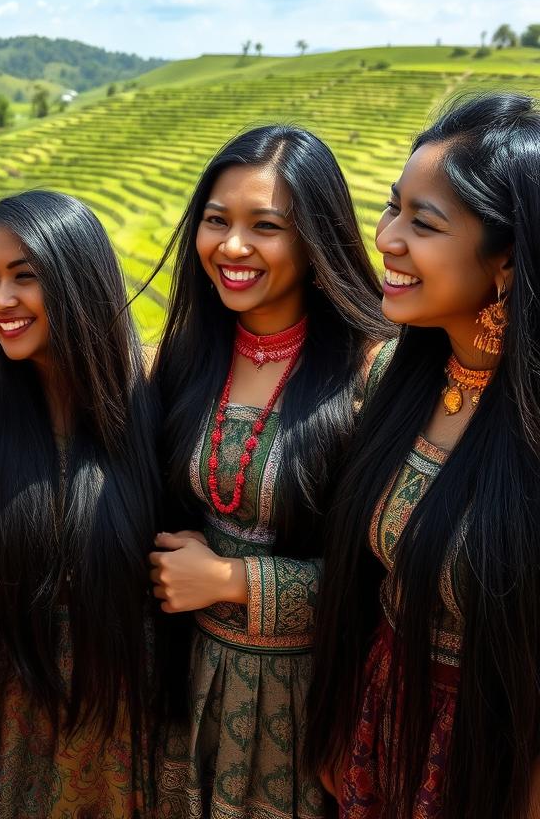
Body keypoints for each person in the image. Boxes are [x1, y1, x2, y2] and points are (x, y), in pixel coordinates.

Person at [306, 92, 540, 819]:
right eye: (391, 207)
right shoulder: (399, 379)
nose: (386, 237)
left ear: (506, 259)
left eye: (423, 222)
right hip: (381, 737)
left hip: (491, 762)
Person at [149, 125, 392, 819]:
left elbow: (386, 576)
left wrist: (229, 580)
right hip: (192, 686)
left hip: (314, 703)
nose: (231, 247)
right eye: (217, 221)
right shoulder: (190, 357)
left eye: (265, 227)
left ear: (317, 241)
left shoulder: (375, 373)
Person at [0, 190, 186, 819]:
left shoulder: (158, 390)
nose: (1, 301)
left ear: (78, 276)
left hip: (139, 708)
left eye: (25, 277)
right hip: (21, 716)